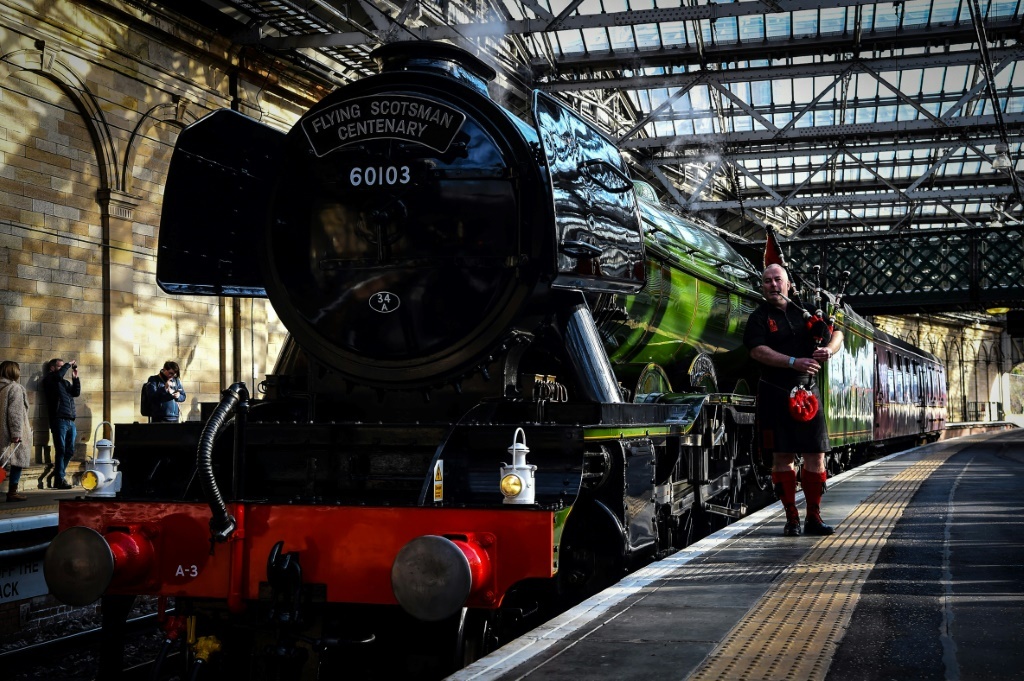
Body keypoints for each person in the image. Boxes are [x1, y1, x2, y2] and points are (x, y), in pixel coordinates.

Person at [744, 263, 844, 537]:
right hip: (775, 391)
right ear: (762, 286)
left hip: (808, 391)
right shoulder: (759, 317)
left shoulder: (807, 310)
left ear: (788, 284)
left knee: (816, 455)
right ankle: (791, 519)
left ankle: (814, 517)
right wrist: (792, 362)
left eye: (778, 280)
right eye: (767, 281)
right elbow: (757, 351)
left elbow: (837, 333)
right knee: (782, 456)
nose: (773, 285)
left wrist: (828, 350)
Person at [43, 357, 80, 490]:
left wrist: (75, 379)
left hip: (70, 420)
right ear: (52, 368)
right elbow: (57, 376)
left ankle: (59, 475)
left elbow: (76, 393)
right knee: (61, 450)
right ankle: (59, 479)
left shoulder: (64, 383)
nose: (62, 368)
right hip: (58, 420)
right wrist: (68, 365)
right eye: (60, 366)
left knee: (69, 451)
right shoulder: (50, 380)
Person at [0, 361, 32, 502]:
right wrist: (16, 434)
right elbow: (15, 413)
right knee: (17, 460)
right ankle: (12, 492)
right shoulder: (15, 388)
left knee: (2, 462)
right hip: (11, 432)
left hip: (1, 430)